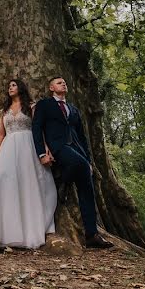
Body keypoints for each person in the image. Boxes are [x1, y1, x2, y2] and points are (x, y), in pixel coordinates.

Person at [0, 79, 57, 249]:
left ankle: (31, 227)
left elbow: (39, 129)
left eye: (13, 85)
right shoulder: (4, 111)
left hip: (28, 146)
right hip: (8, 149)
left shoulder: (31, 106)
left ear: (21, 88)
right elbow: (1, 134)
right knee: (6, 184)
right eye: (8, 86)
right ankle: (6, 230)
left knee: (29, 183)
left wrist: (44, 149)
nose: (10, 88)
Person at [32, 76, 113, 249]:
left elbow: (82, 137)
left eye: (65, 82)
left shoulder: (73, 109)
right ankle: (64, 181)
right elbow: (37, 128)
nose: (64, 83)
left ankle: (91, 235)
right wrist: (41, 153)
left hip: (77, 149)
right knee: (79, 165)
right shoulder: (44, 104)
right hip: (57, 148)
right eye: (59, 82)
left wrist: (89, 160)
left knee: (87, 189)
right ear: (51, 87)